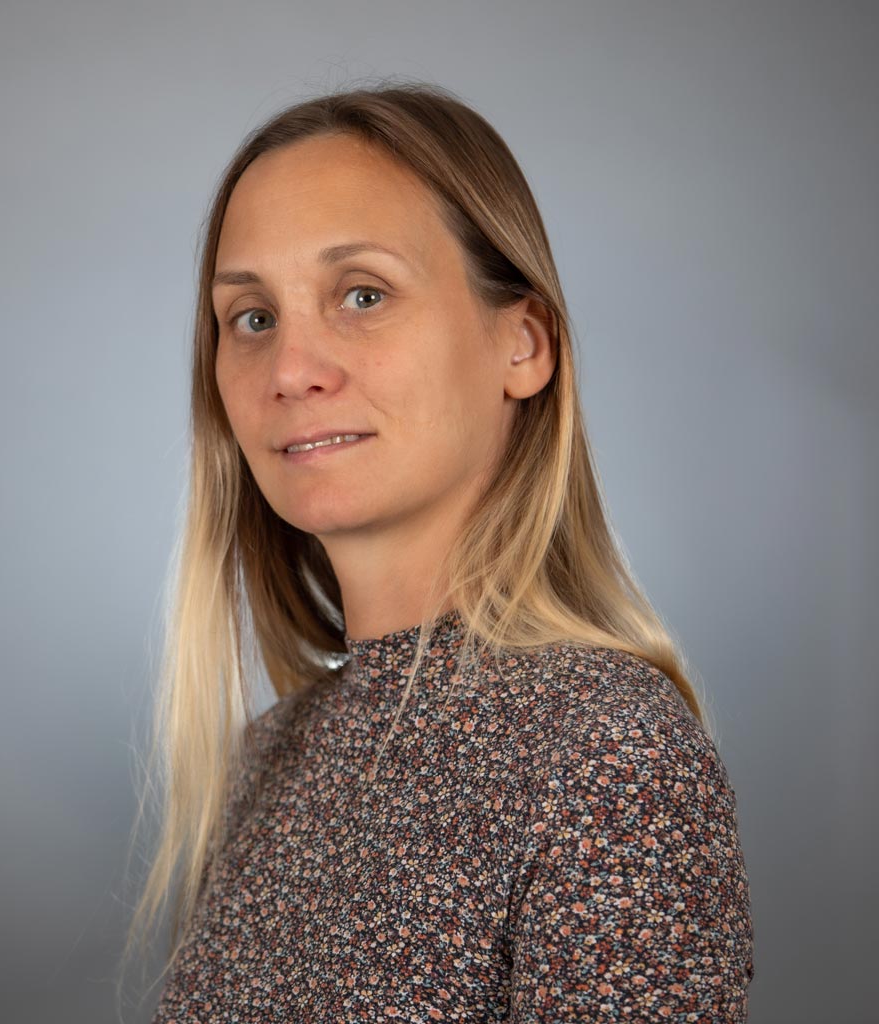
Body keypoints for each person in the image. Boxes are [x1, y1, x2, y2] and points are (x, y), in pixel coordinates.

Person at [132, 82, 755, 1021]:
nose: (291, 370)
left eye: (363, 294)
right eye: (252, 317)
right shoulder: (266, 761)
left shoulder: (609, 756)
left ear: (523, 344)